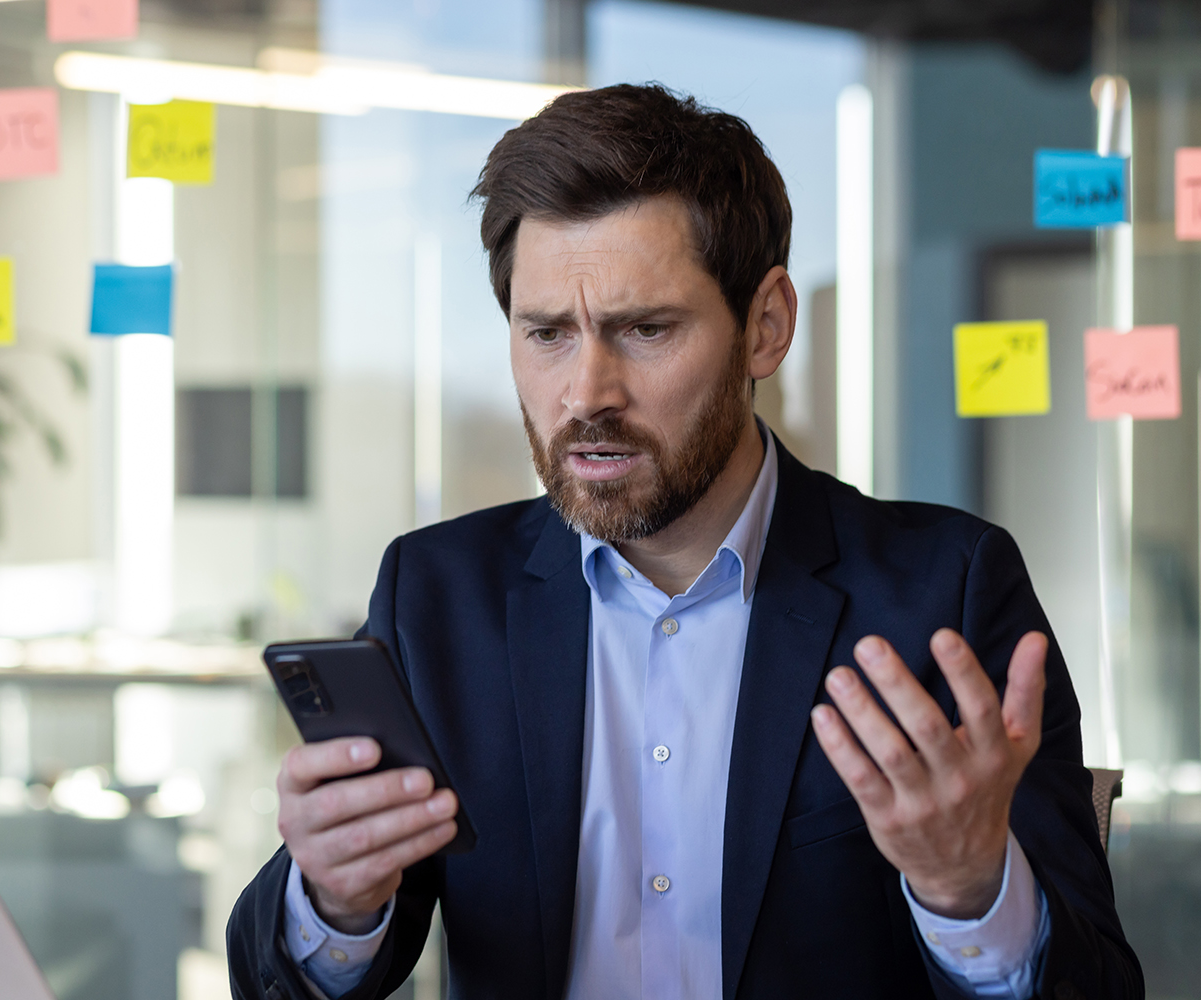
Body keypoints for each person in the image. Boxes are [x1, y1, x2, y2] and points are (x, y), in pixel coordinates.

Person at [226, 84, 1142, 1000]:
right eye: (546, 333)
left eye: (645, 330)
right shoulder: (436, 595)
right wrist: (336, 900)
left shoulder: (944, 591)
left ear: (767, 326)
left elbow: (1098, 987)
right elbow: (277, 980)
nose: (586, 393)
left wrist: (968, 891)